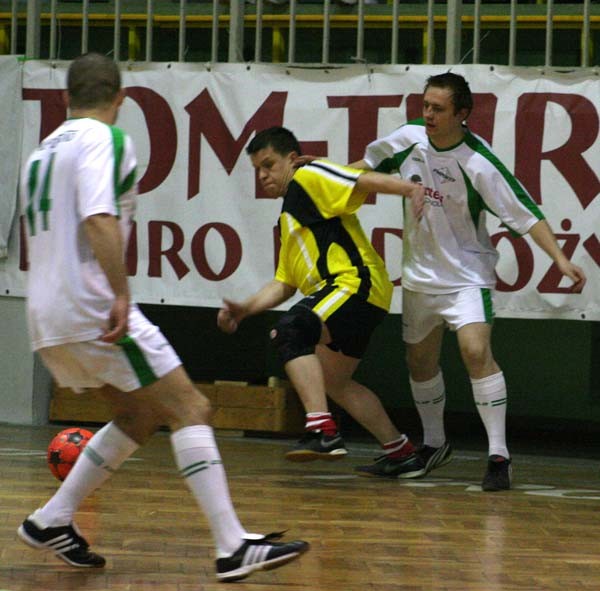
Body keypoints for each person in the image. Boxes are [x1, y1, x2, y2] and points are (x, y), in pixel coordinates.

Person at [17, 53, 308, 582]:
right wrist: (121, 294)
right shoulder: (106, 139)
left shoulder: (43, 150)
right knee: (191, 407)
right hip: (92, 306)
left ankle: (52, 519)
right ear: (121, 98)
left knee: (138, 415)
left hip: (45, 315)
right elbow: (99, 218)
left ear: (64, 97)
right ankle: (231, 546)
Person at [350, 72, 586, 490]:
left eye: (438, 109)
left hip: (467, 278)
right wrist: (315, 174)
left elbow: (525, 213)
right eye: (425, 106)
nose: (428, 115)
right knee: (419, 362)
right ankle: (434, 444)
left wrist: (560, 259)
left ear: (462, 114)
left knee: (475, 351)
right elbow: (361, 169)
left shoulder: (478, 161)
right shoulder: (408, 139)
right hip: (420, 277)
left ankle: (499, 456)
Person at [217, 126, 427, 475]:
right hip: (356, 295)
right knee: (335, 382)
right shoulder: (288, 216)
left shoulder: (308, 175)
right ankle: (401, 452)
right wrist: (245, 309)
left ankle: (322, 430)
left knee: (290, 330)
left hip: (354, 284)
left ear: (292, 159)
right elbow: (284, 284)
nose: (263, 175)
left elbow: (360, 180)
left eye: (269, 165)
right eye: (257, 170)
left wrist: (409, 188)